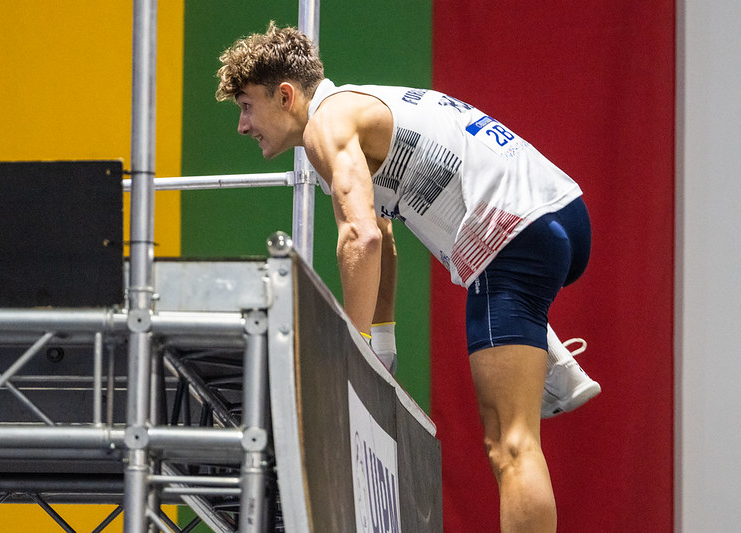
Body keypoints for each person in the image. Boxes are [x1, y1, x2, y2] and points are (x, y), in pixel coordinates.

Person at [216, 23, 600, 533]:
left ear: (285, 96)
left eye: (246, 106)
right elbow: (380, 231)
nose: (242, 125)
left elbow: (360, 238)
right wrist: (382, 344)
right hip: (560, 214)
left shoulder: (325, 126)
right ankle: (543, 345)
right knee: (512, 436)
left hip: (515, 237)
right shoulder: (357, 108)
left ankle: (540, 346)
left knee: (510, 445)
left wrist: (351, 356)